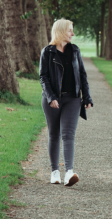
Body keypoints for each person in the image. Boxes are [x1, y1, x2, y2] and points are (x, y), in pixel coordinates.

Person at [39, 18, 93, 186]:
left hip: (73, 99)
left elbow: (82, 74)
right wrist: (51, 97)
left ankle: (69, 172)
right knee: (54, 134)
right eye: (70, 30)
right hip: (53, 99)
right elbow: (43, 77)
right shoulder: (47, 52)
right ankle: (55, 172)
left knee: (68, 134)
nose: (73, 33)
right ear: (61, 31)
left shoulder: (75, 51)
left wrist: (87, 96)